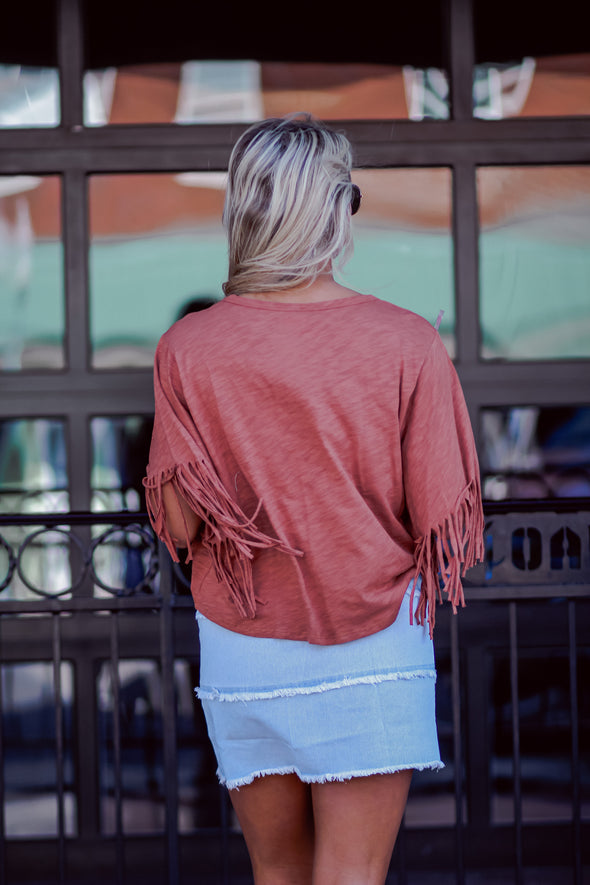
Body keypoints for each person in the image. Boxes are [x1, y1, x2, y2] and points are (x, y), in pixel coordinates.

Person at [143, 113, 484, 885]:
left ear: (245, 210)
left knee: (276, 872)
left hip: (245, 644)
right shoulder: (407, 343)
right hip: (374, 644)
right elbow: (442, 518)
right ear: (336, 208)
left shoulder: (188, 349)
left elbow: (181, 522)